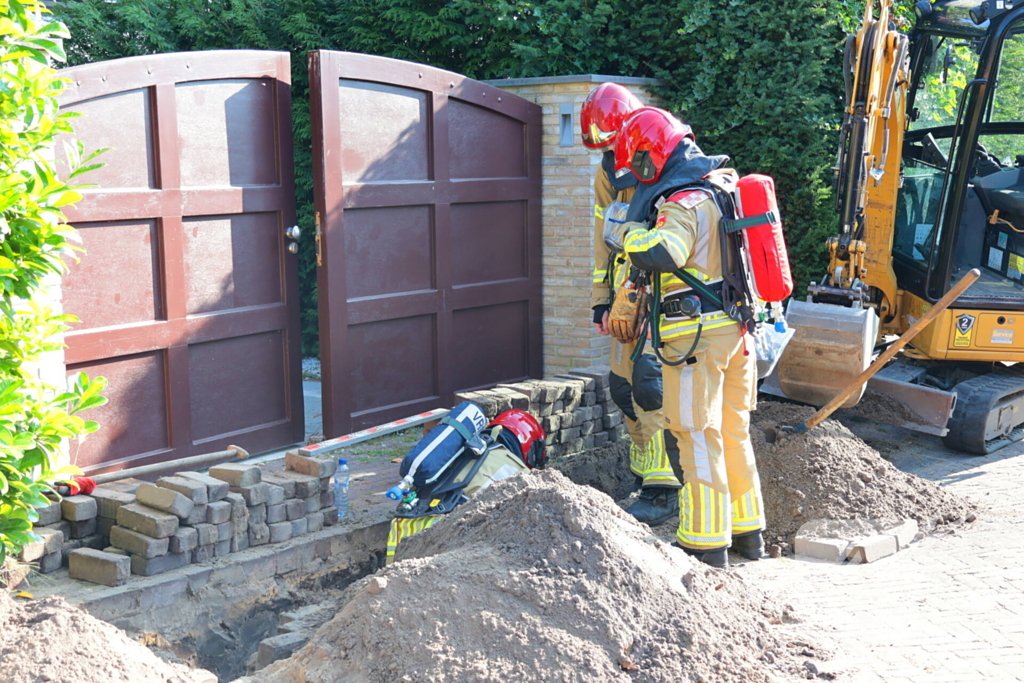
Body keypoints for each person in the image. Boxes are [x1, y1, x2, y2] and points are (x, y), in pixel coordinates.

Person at [613, 107, 766, 568]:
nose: (639, 174)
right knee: (734, 433)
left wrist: (629, 237)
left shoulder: (682, 202)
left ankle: (703, 542)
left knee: (696, 435)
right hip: (737, 333)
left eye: (639, 163)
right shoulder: (725, 190)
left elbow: (667, 250)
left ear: (653, 154)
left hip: (696, 339)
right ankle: (747, 533)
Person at [581, 84, 680, 525]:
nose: (614, 158)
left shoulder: (665, 165)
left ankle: (664, 489)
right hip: (626, 299)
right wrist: (602, 301)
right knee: (622, 388)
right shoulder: (608, 172)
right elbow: (604, 238)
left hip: (663, 295)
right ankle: (644, 477)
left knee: (649, 384)